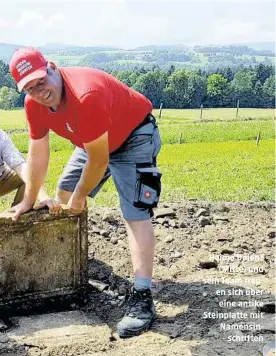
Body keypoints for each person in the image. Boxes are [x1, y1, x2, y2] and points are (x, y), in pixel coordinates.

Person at [9, 47, 162, 338]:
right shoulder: (34, 104)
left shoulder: (85, 95)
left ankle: (142, 297)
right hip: (91, 140)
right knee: (62, 195)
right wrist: (29, 200)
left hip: (133, 136)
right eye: (30, 87)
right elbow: (38, 155)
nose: (39, 91)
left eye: (41, 81)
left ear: (52, 67)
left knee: (134, 213)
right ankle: (68, 264)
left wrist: (81, 197)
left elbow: (100, 160)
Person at [0, 129, 59, 210]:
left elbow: (20, 165)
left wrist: (43, 196)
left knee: (29, 175)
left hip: (2, 178)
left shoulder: (1, 136)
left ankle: (16, 216)